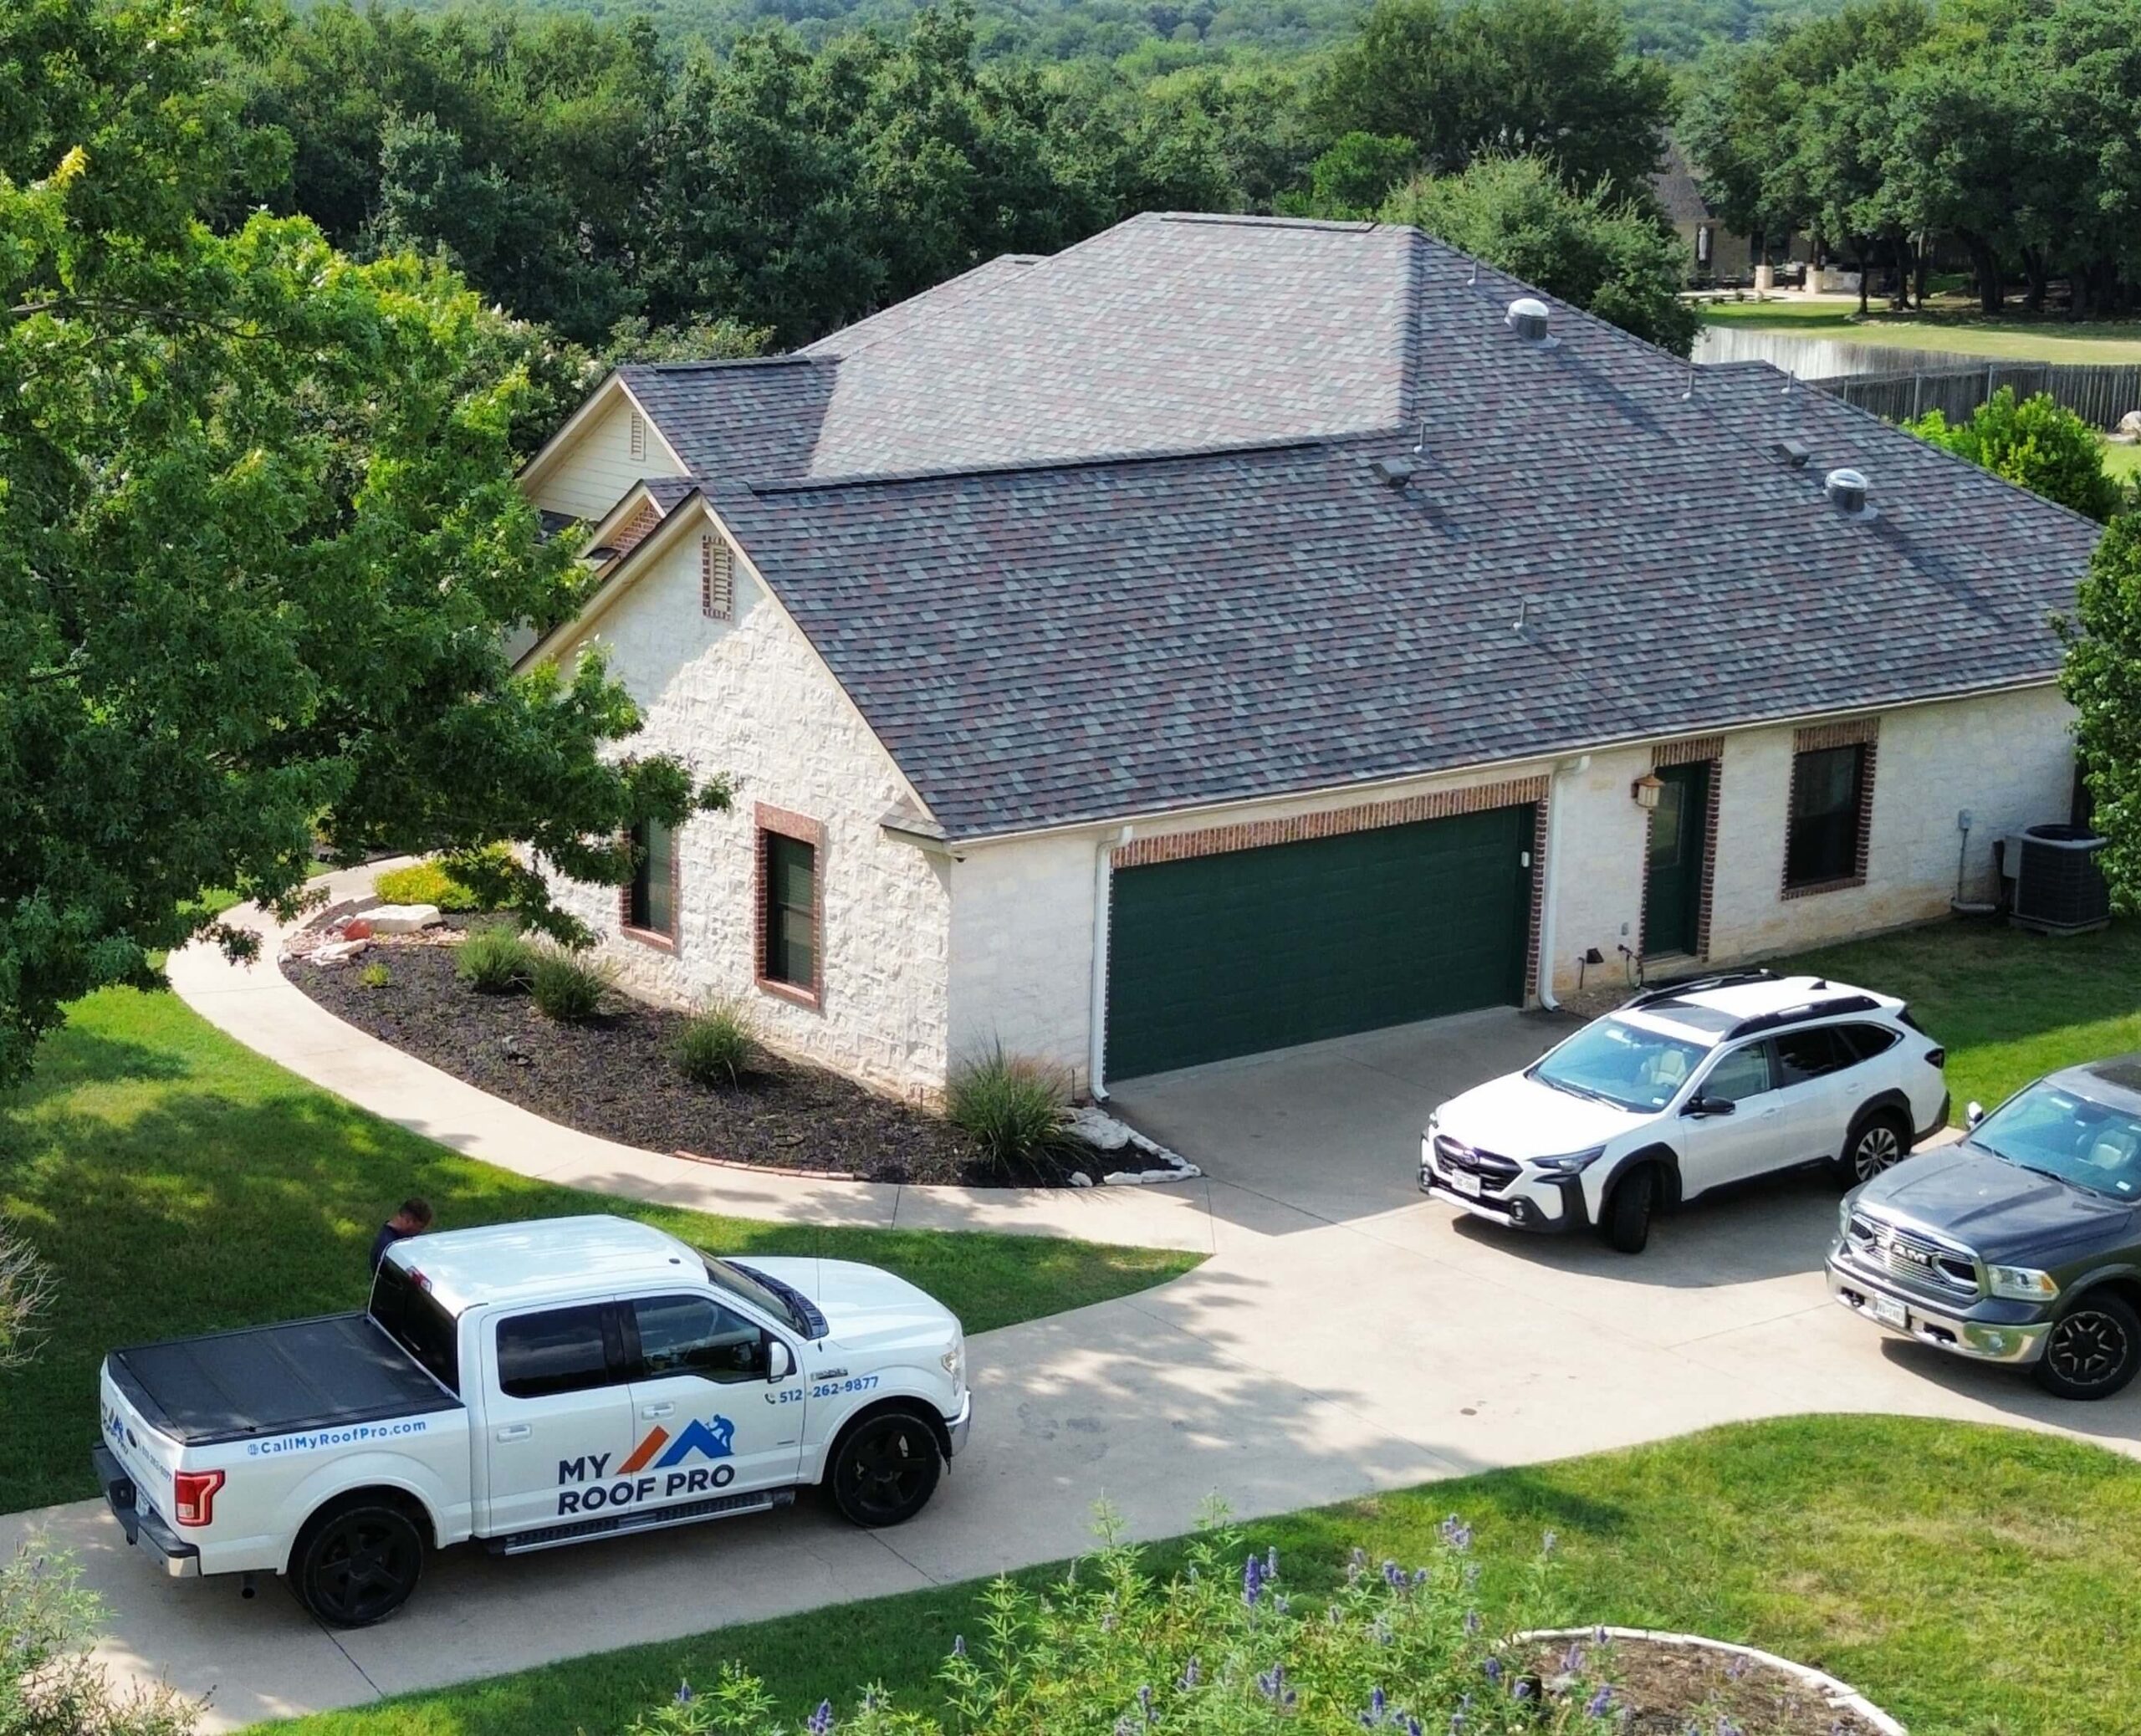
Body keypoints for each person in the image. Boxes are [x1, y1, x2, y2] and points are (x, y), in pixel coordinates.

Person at [370, 1197, 433, 1274]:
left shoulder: (390, 1237)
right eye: (420, 1227)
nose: (420, 1231)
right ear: (408, 1221)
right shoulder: (390, 1248)